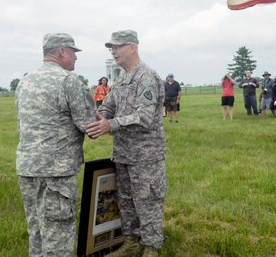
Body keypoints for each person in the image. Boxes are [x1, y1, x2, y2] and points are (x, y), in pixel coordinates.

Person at [86, 30, 166, 257]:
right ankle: (131, 242)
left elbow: (144, 117)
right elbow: (108, 107)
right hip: (123, 153)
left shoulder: (146, 76)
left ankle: (151, 247)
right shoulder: (121, 79)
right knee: (126, 199)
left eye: (117, 47)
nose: (113, 52)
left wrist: (110, 125)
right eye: (110, 48)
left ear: (132, 46)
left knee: (148, 200)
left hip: (145, 154)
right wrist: (98, 118)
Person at [15, 33, 96, 256]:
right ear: (61, 51)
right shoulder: (68, 81)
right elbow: (88, 125)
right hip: (56, 173)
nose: (76, 59)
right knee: (58, 237)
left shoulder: (25, 81)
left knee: (37, 231)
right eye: (73, 52)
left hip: (28, 168)